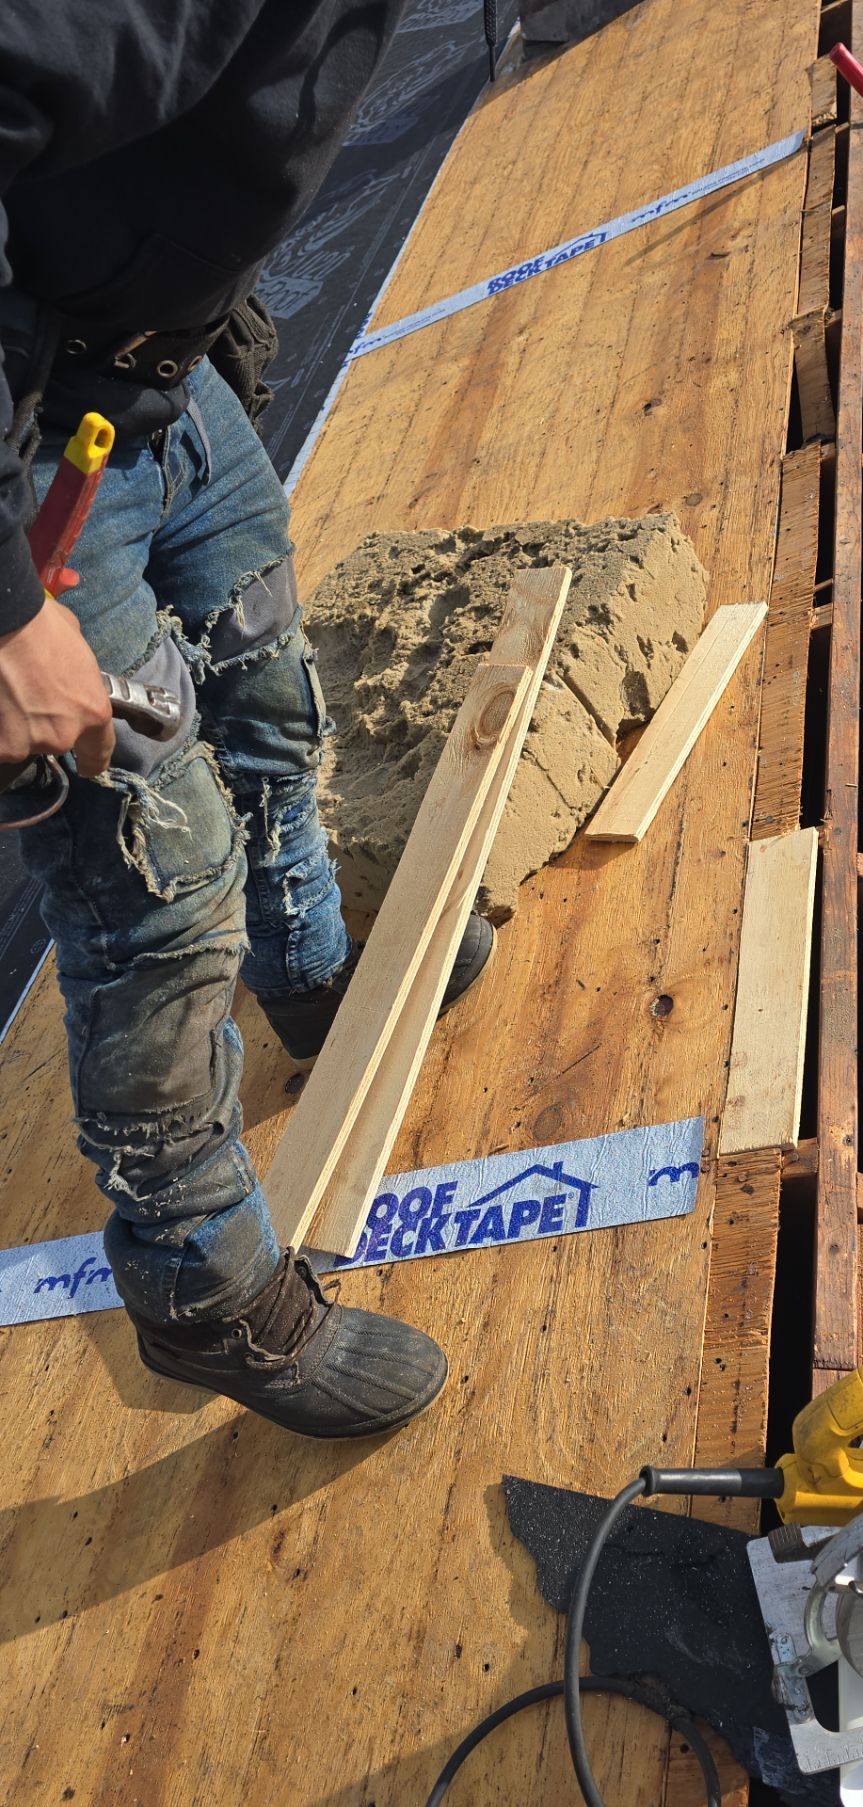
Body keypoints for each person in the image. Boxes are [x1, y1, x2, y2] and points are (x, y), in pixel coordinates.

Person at [0, 3, 490, 1438]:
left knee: (269, 700)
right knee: (154, 886)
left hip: (158, 385)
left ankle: (312, 974)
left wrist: (203, 332)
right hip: (31, 451)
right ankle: (199, 1285)